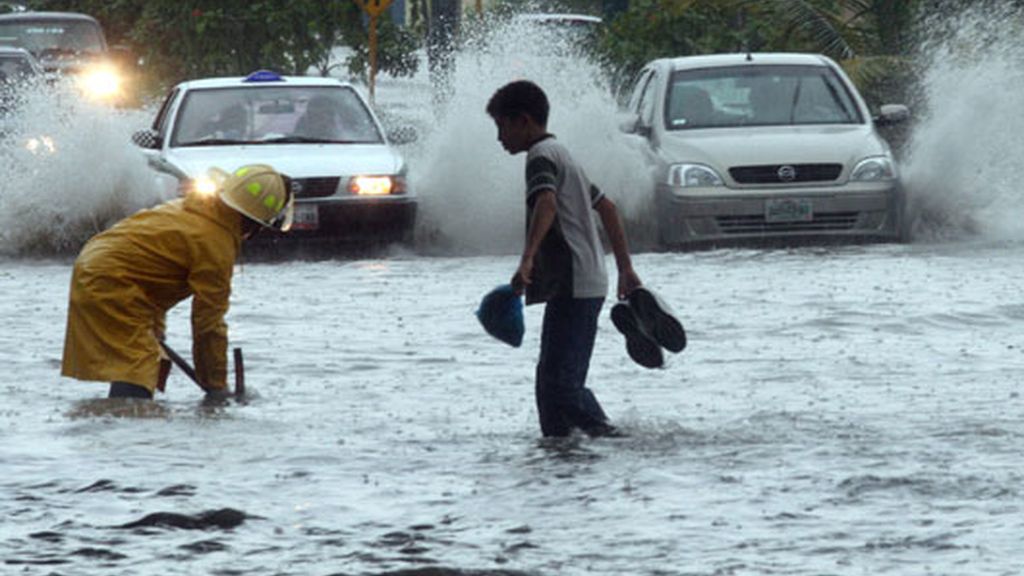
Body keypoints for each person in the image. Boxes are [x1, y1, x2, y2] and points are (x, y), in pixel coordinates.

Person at [486, 79, 643, 438]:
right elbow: (608, 207)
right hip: (582, 282)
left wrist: (526, 259)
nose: (499, 138)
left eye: (501, 127)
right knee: (549, 387)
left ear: (523, 121)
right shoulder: (562, 154)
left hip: (576, 283)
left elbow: (546, 202)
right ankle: (559, 462)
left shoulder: (541, 156)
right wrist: (625, 267)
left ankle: (614, 440)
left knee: (562, 385)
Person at [61, 164, 294, 400]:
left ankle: (122, 423)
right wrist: (216, 387)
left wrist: (156, 328)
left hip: (99, 265)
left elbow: (150, 273)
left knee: (146, 357)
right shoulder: (214, 244)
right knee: (138, 363)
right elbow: (208, 323)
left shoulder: (196, 209)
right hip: (109, 278)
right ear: (255, 222)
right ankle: (125, 425)